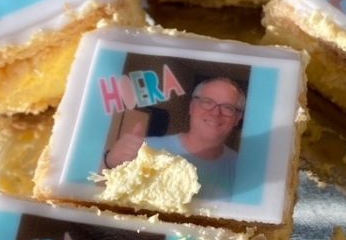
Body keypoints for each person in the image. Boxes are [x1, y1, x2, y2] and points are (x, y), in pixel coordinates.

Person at [105, 77, 246, 200]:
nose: (215, 113)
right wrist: (109, 163)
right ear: (192, 107)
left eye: (228, 107)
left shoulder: (243, 168)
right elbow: (104, 197)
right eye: (207, 102)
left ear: (237, 118)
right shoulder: (144, 150)